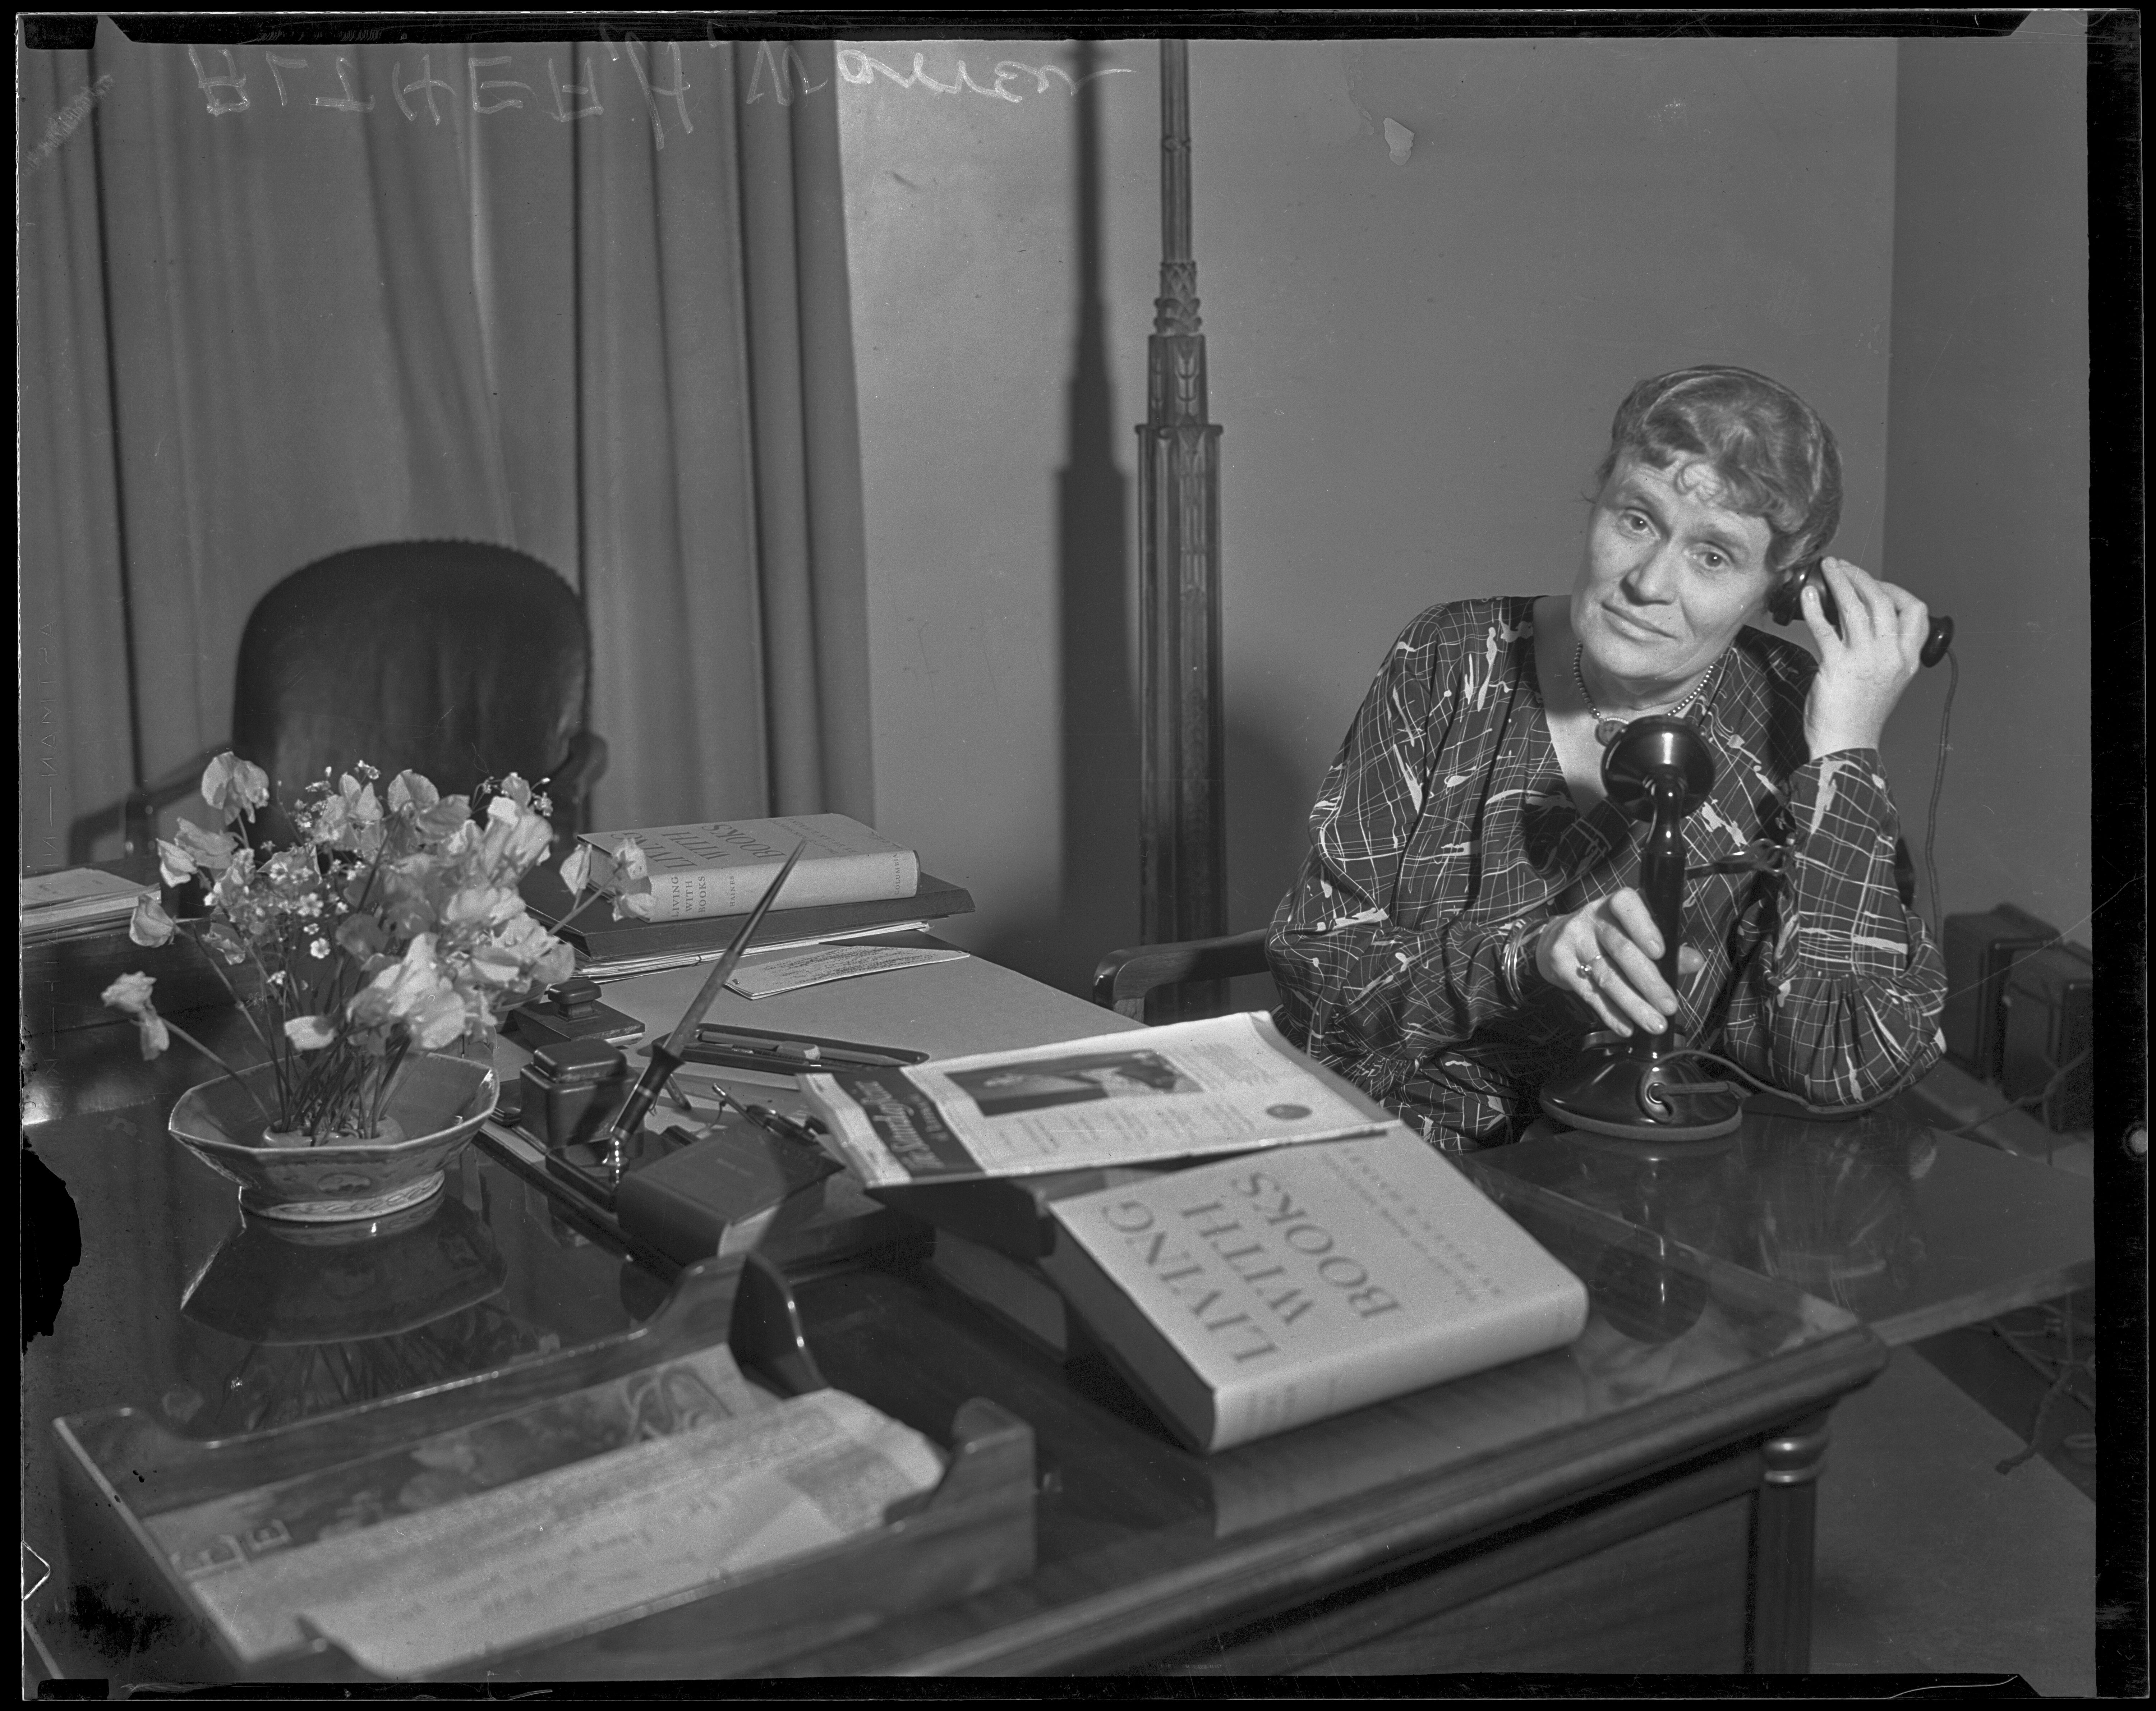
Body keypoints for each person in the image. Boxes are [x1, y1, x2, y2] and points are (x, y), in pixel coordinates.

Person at [1266, 365, 1947, 1151]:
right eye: (1636, 519)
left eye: (1715, 556)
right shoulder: (1449, 658)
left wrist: (1846, 755)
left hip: (1652, 1182)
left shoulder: (1804, 718)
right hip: (1409, 1149)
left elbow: (1844, 1063)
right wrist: (1527, 960)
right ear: (1598, 499)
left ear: (1780, 589)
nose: (1649, 582)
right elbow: (1315, 979)